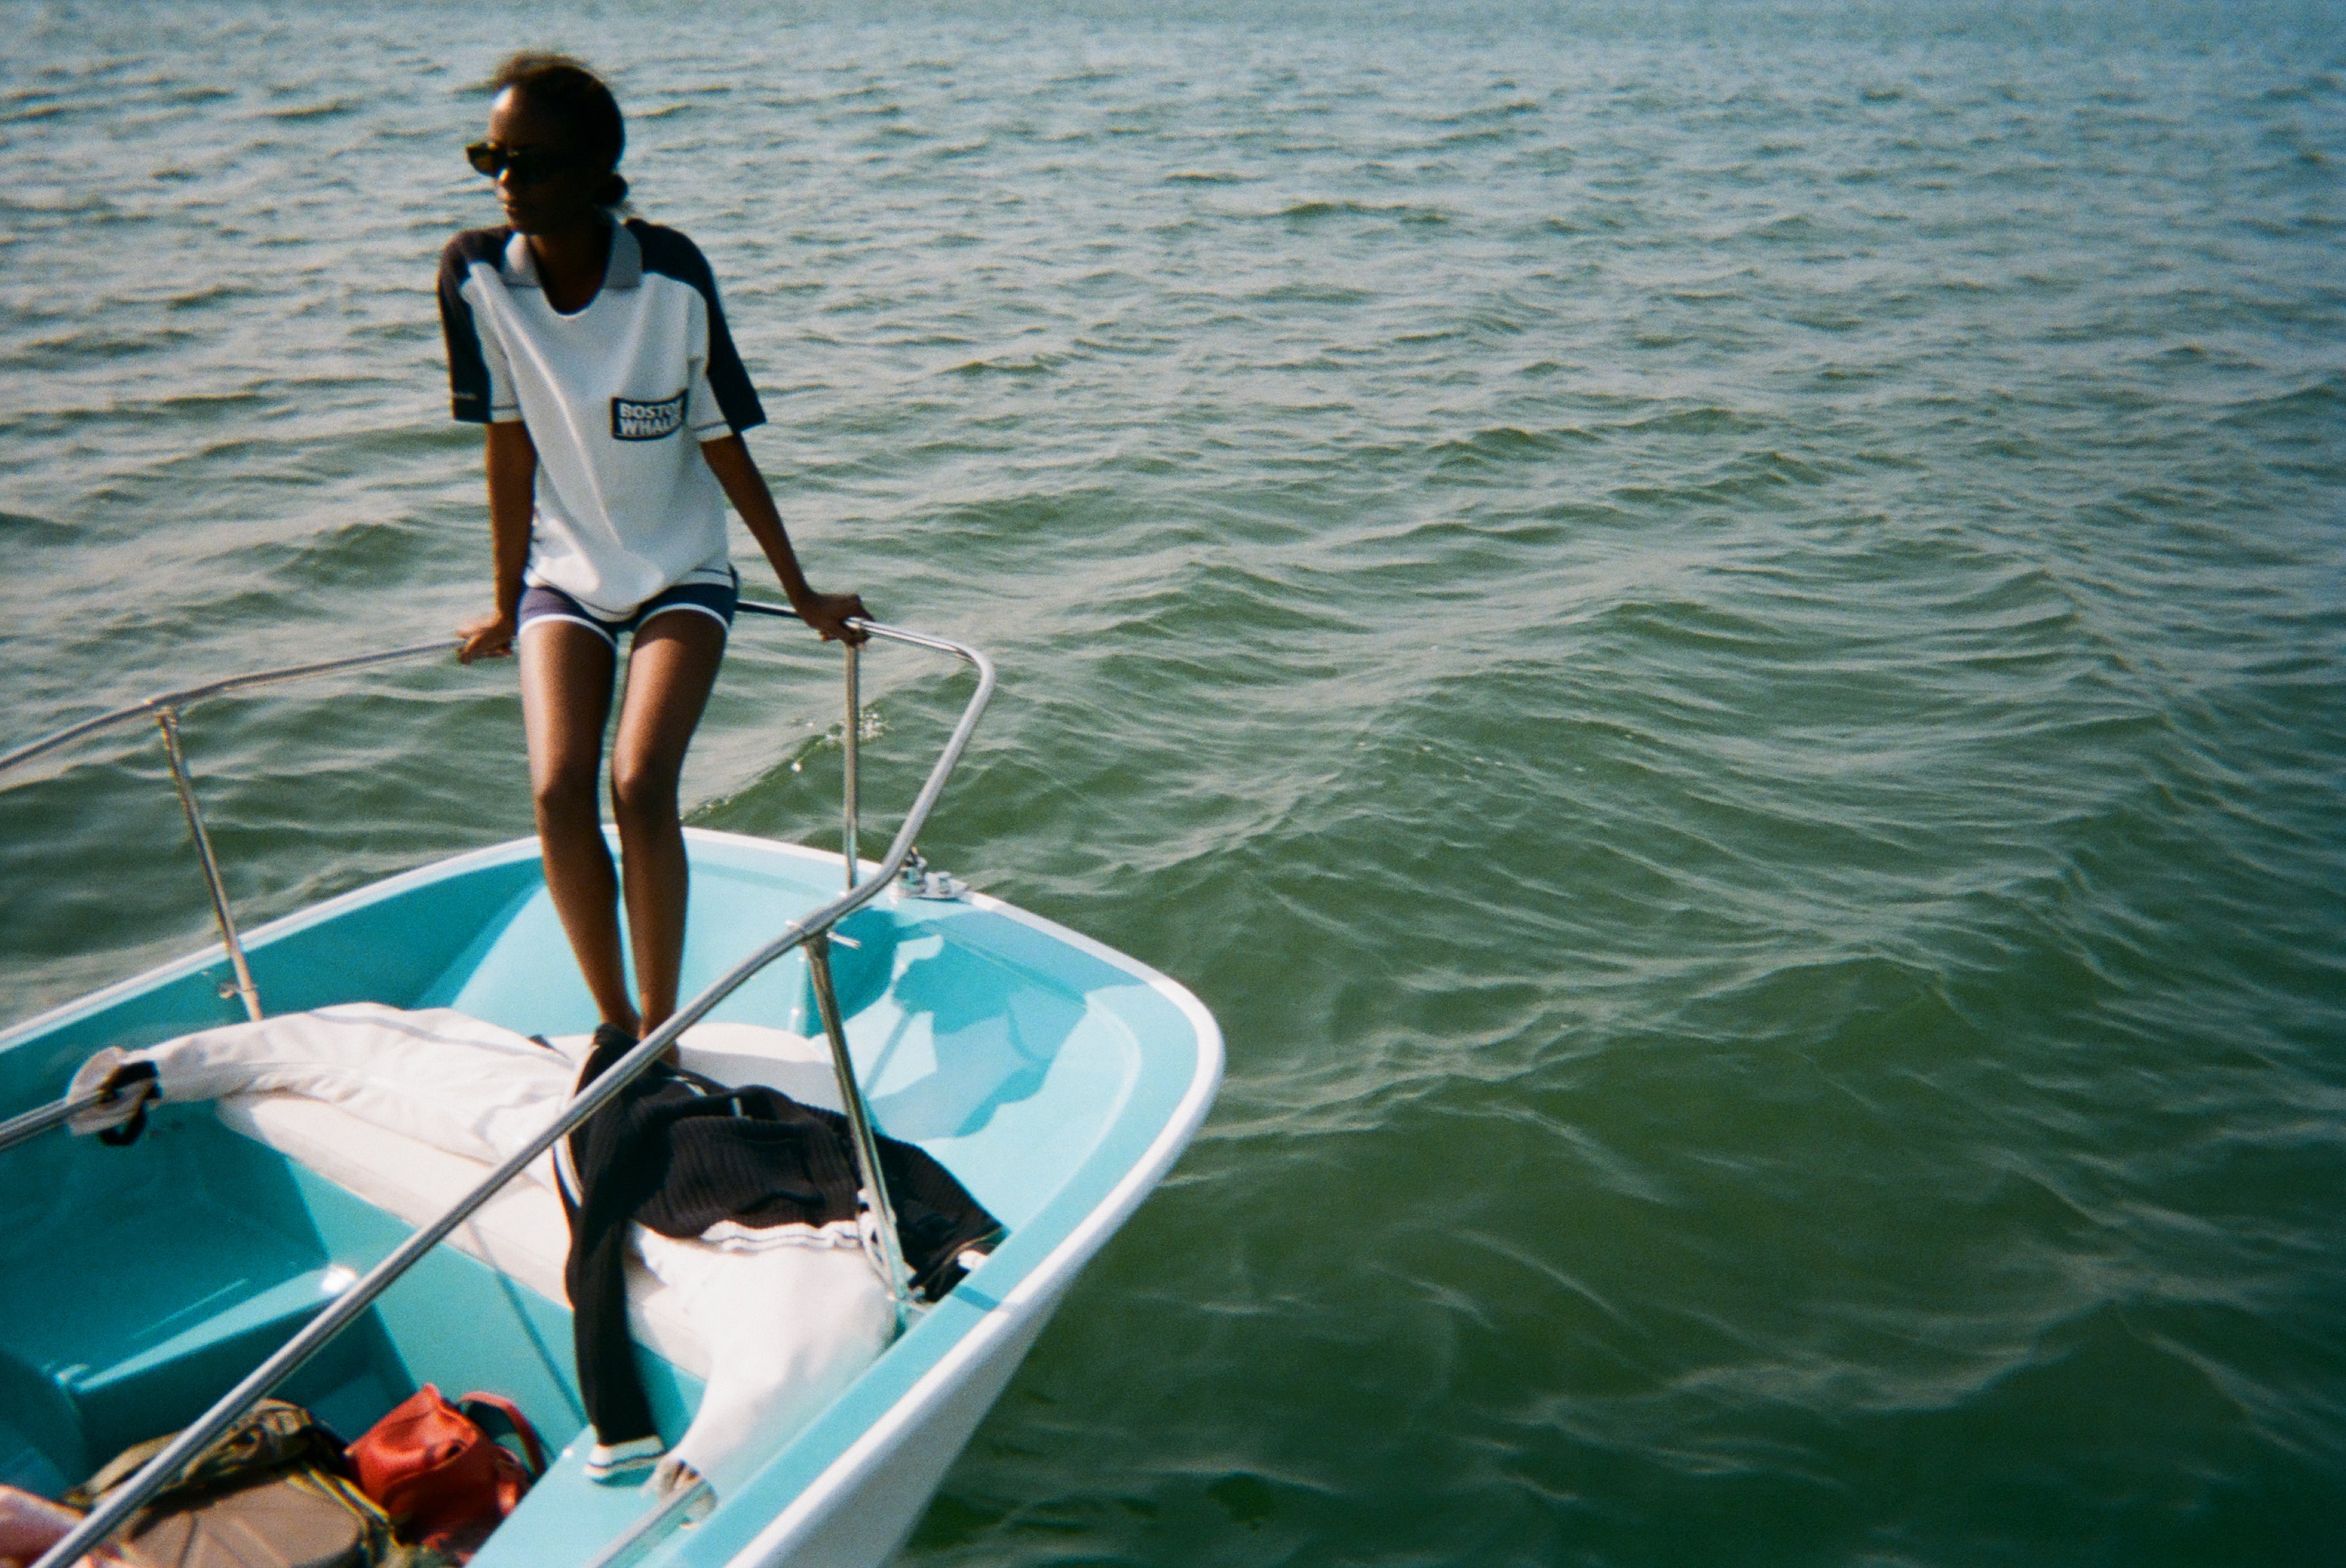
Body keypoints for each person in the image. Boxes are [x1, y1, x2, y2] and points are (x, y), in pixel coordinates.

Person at [440, 54, 862, 1051]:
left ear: (598, 169)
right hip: (566, 579)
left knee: (639, 783)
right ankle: (616, 1024)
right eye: (491, 159)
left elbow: (722, 438)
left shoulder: (670, 273)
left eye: (532, 162)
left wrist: (799, 590)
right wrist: (505, 603)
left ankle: (664, 1028)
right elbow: (507, 447)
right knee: (555, 791)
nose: (508, 181)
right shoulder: (476, 276)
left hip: (682, 573)